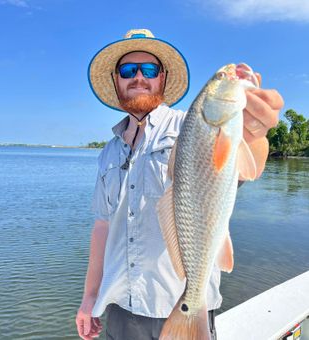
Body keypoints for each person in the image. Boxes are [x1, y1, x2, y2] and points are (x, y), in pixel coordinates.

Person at [76, 29, 284, 340]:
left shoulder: (190, 125)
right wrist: (89, 297)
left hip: (179, 304)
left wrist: (255, 131)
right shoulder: (108, 151)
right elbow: (103, 227)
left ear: (162, 77)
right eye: (128, 70)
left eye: (148, 70)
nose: (138, 78)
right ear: (116, 79)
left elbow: (242, 163)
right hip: (118, 308)